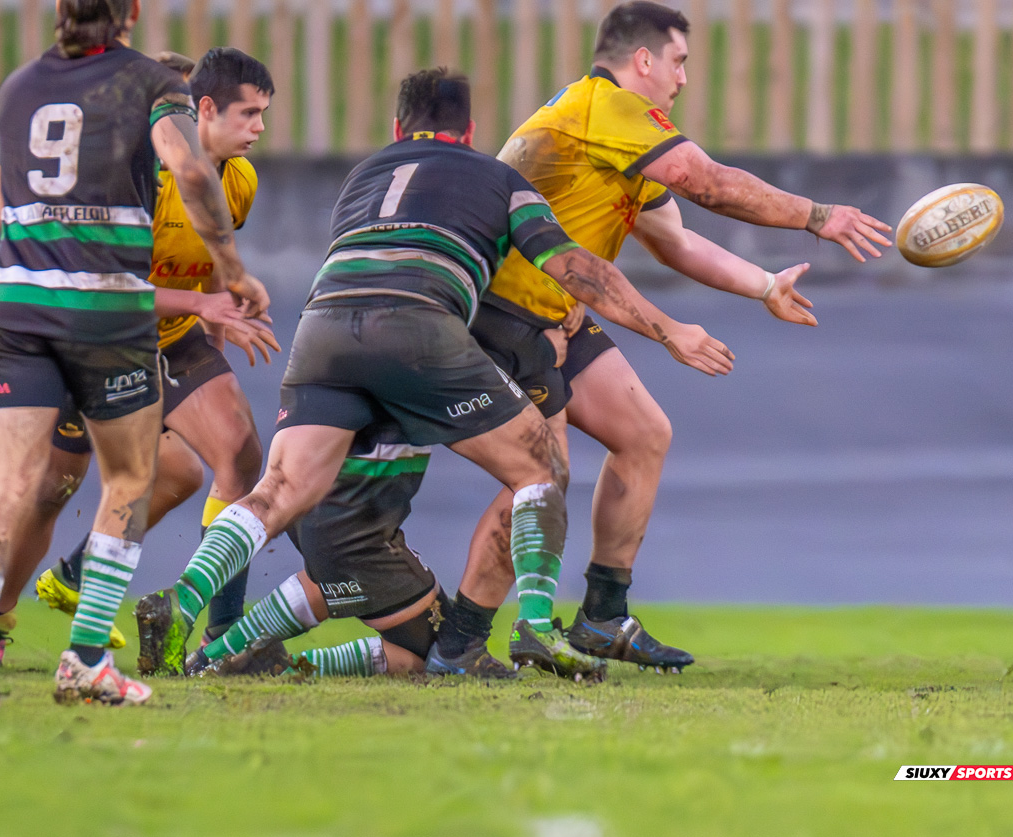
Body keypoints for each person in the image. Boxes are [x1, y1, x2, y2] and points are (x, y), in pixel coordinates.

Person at [135, 67, 734, 681]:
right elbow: (574, 267)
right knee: (540, 468)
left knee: (278, 489)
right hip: (417, 322)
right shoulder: (500, 179)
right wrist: (667, 330)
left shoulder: (361, 176)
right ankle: (534, 625)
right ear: (470, 131)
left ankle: (181, 600)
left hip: (322, 327)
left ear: (398, 128)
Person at [458, 0, 892, 672]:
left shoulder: (616, 133)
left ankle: (602, 615)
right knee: (540, 475)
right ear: (643, 61)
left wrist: (764, 285)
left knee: (644, 434)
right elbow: (707, 182)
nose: (684, 79)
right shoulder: (604, 108)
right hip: (505, 313)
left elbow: (675, 239)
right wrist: (819, 215)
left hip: (561, 311)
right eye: (679, 61)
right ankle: (462, 638)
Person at [0, 0, 269, 707]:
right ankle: (86, 658)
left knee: (9, 484)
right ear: (131, 6)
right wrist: (232, 274)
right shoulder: (152, 83)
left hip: (16, 301)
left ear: (61, 3)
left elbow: (0, 208)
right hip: (105, 307)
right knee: (131, 474)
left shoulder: (16, 89)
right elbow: (191, 170)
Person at [184, 422, 516, 680]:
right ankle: (277, 668)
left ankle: (209, 652)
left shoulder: (321, 348)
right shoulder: (416, 342)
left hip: (303, 485)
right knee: (441, 647)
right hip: (348, 515)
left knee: (327, 580)